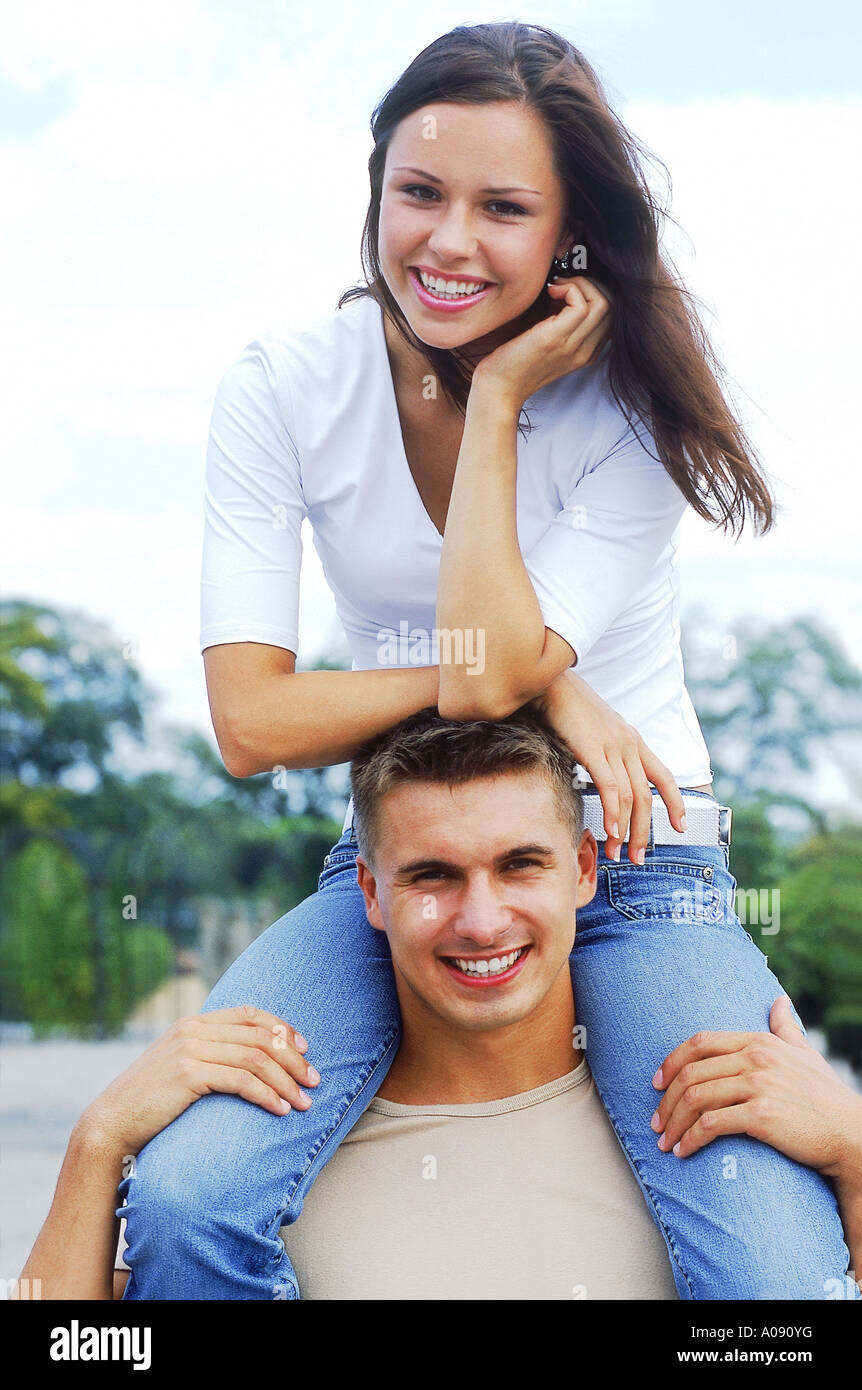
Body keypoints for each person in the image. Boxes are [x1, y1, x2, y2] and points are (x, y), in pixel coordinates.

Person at [116, 21, 853, 1298]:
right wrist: (550, 689)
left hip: (638, 859)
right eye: (419, 192)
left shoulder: (629, 409)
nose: (447, 242)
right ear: (376, 191)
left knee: (777, 1282)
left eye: (502, 208)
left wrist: (502, 397)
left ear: (569, 236)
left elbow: (478, 665)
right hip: (407, 860)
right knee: (185, 1199)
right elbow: (249, 722)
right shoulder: (284, 386)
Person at [15, 709, 862, 1300]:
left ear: (583, 871)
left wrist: (857, 1154)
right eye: (432, 875)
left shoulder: (716, 1136)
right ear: (370, 894)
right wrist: (98, 1143)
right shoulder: (254, 1160)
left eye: (520, 864)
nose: (481, 918)